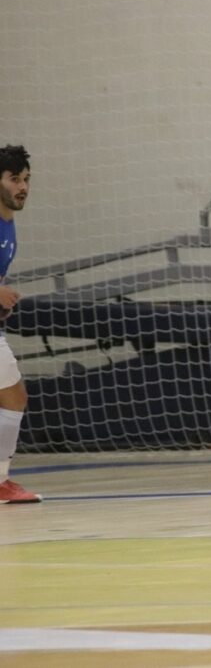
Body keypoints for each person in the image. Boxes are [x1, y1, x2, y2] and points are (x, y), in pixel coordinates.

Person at [0, 145, 40, 504]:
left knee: (13, 397)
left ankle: (0, 479)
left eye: (26, 179)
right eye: (14, 179)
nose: (22, 186)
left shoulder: (8, 224)